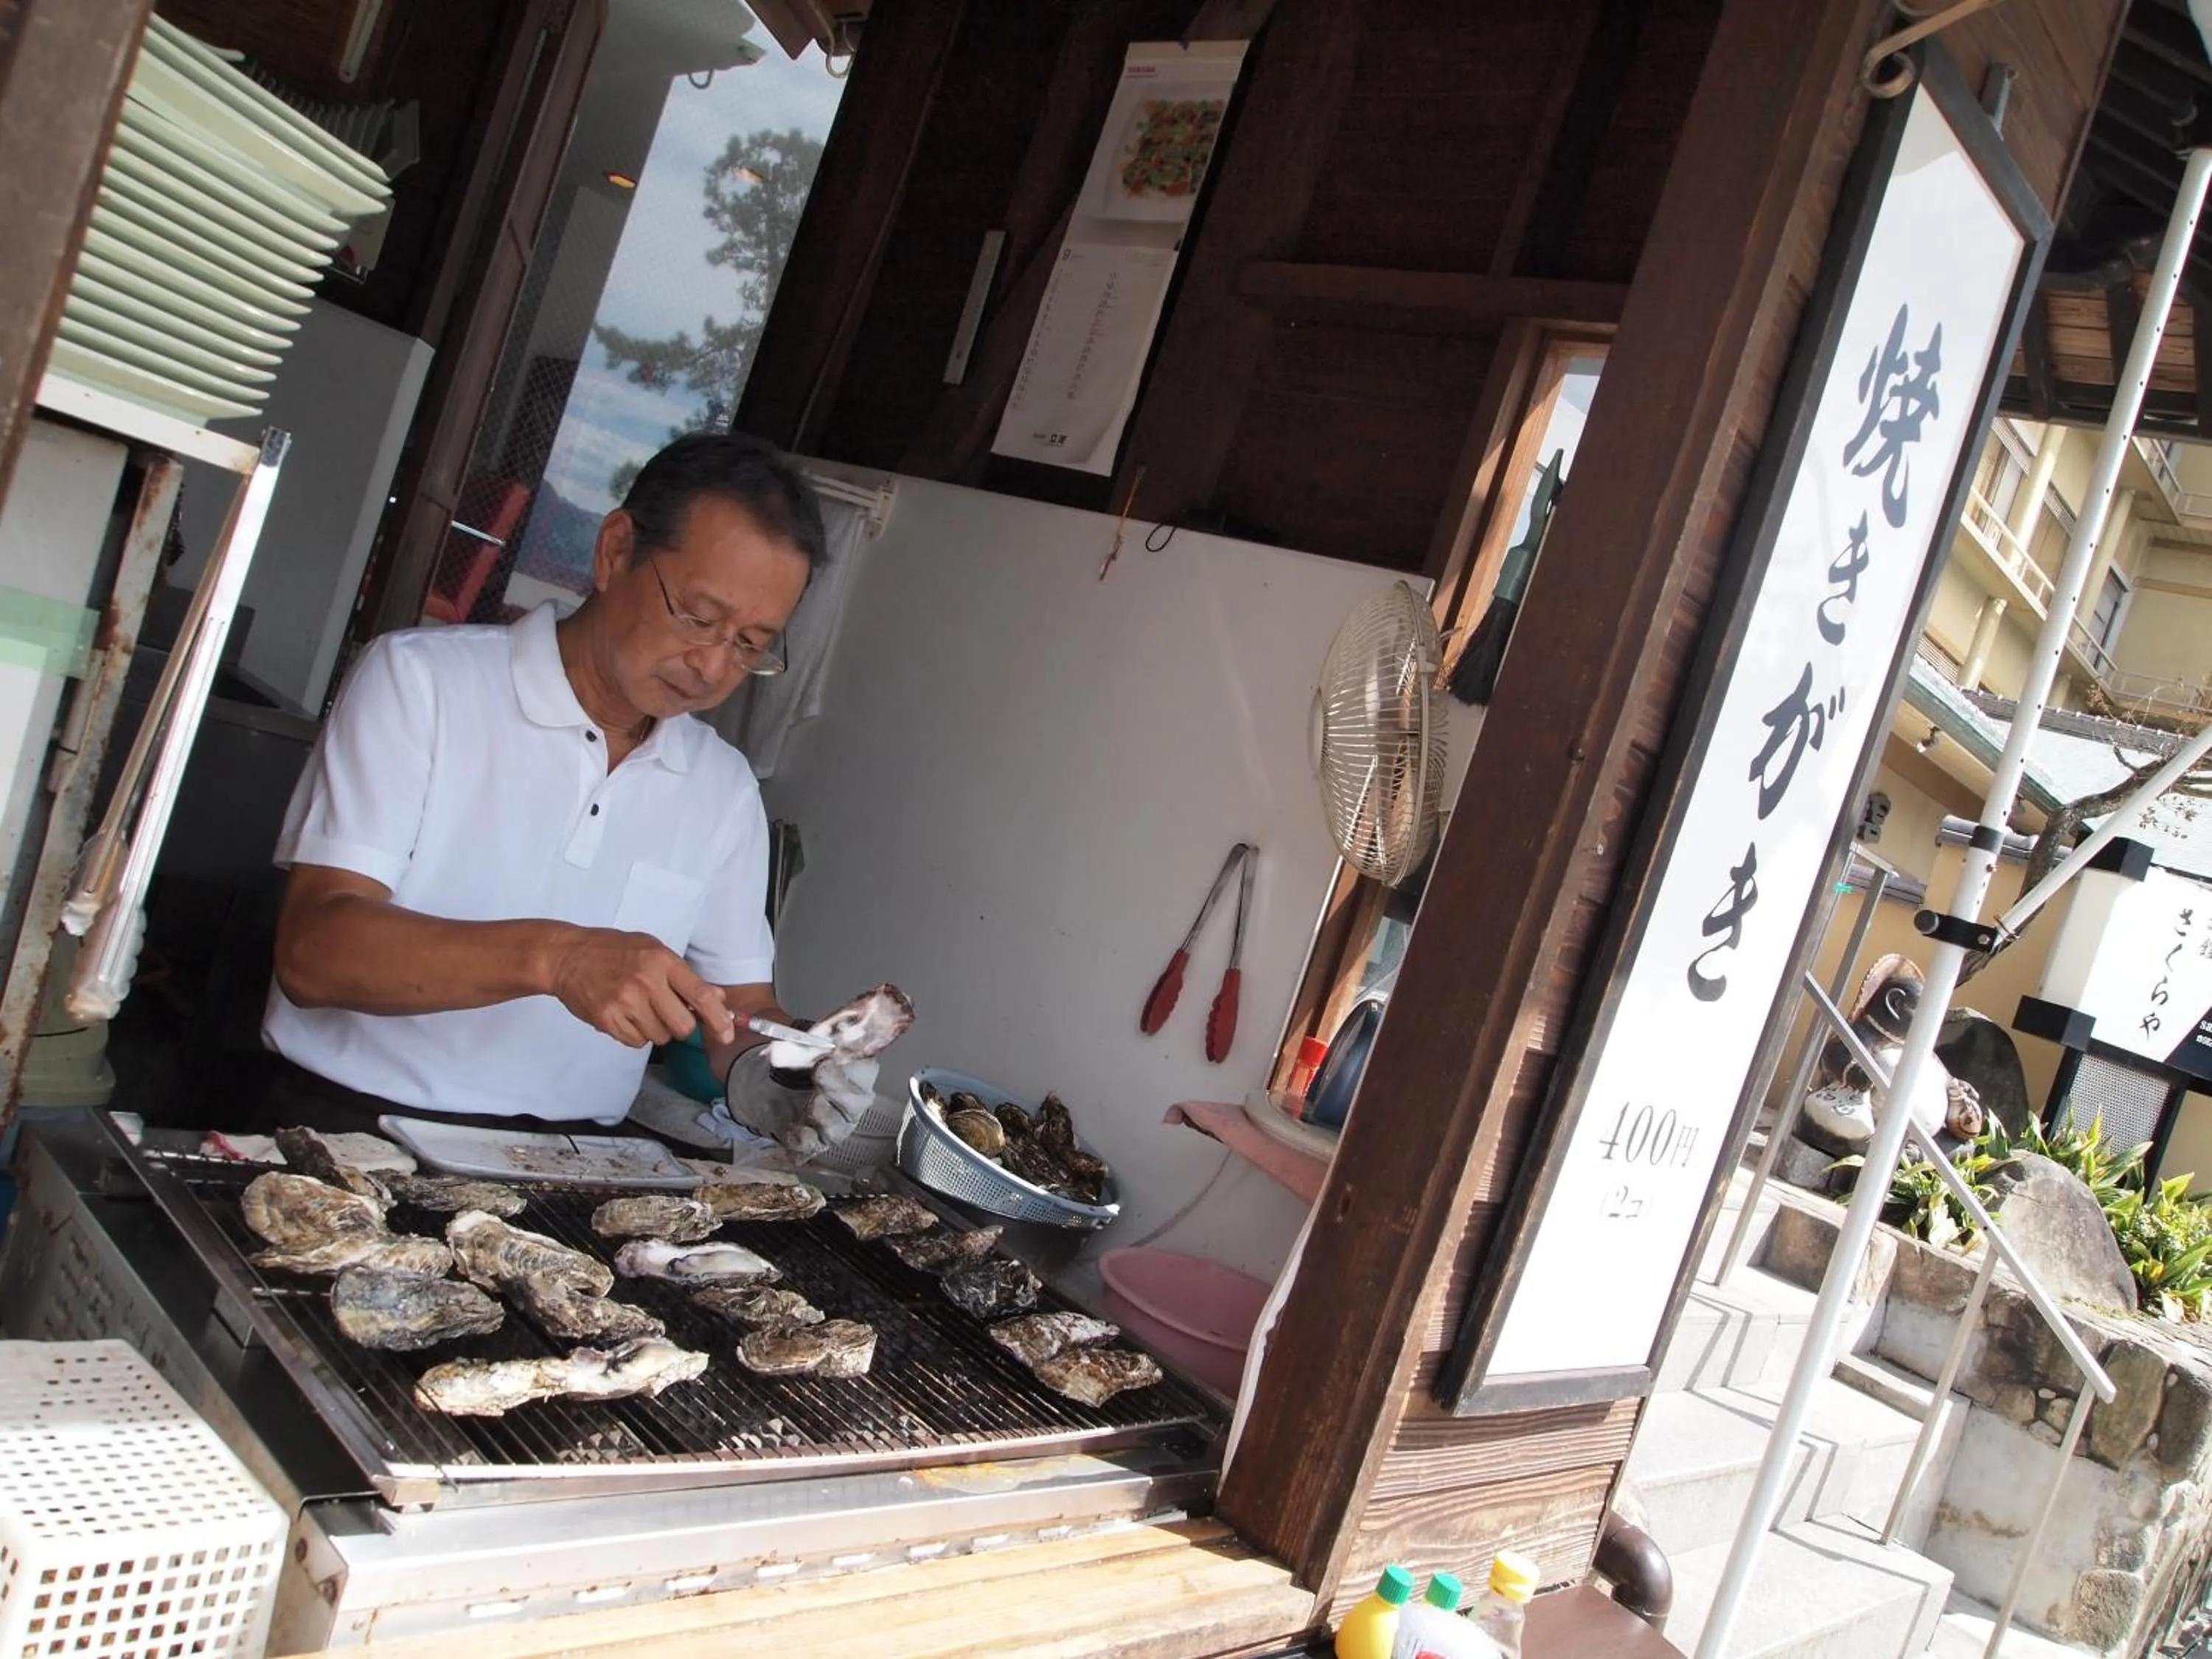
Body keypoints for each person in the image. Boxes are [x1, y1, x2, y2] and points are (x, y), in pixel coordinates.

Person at [256, 432, 879, 1160]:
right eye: (699, 617)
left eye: (749, 645)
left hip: (567, 1165)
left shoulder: (722, 787)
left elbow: (736, 1012)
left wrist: (794, 1072)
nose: (712, 666)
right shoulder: (421, 684)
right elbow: (314, 952)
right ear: (615, 551)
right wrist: (557, 957)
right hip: (346, 1128)